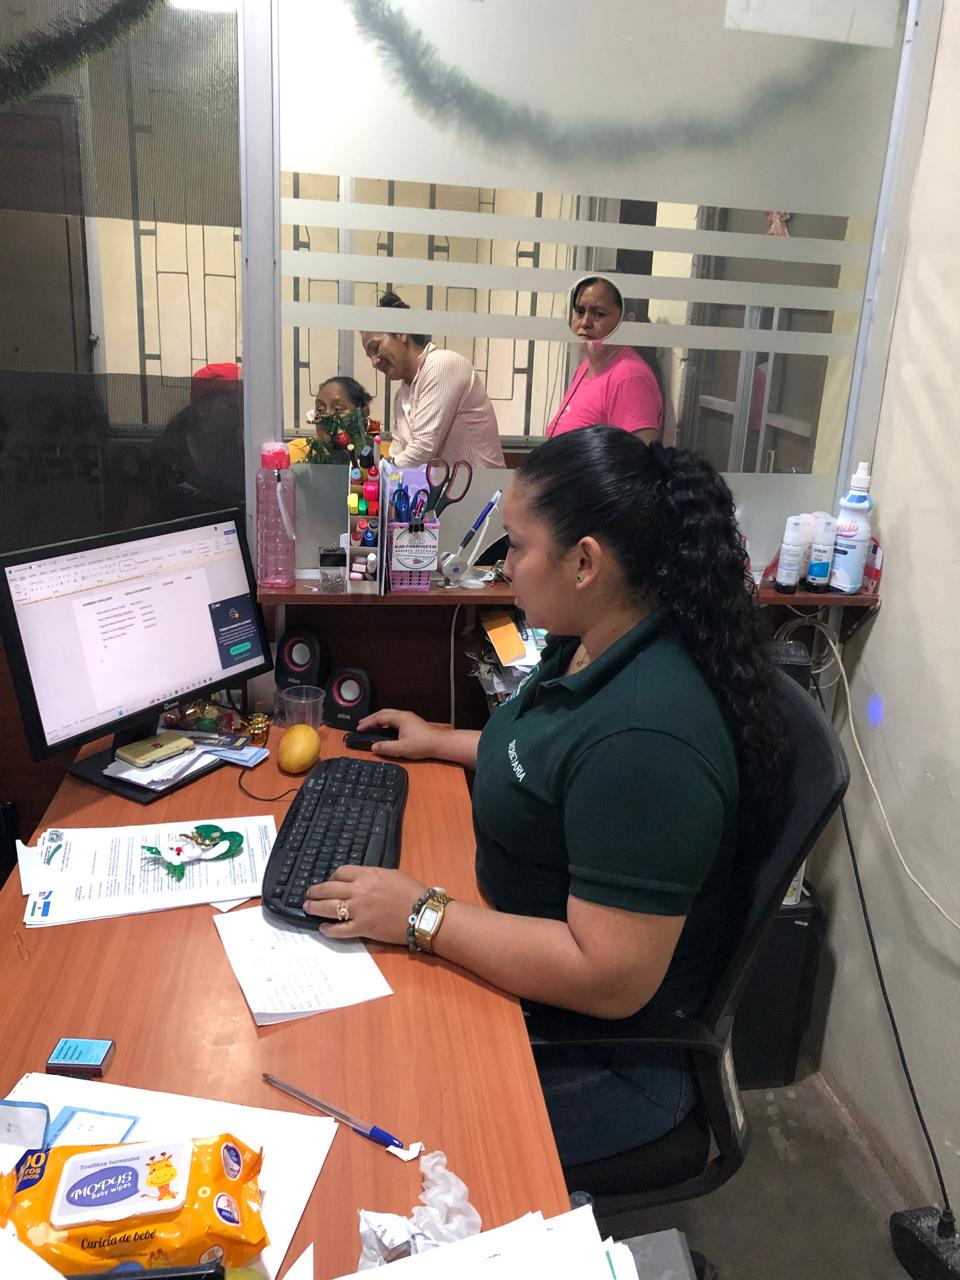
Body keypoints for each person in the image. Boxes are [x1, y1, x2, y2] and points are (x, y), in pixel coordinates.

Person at [302, 426, 790, 1167]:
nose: (504, 566)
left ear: (585, 562)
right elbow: (545, 759)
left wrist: (422, 913)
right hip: (527, 982)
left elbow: (608, 978)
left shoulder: (647, 738)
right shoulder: (590, 640)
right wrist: (440, 741)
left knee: (360, 1124)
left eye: (518, 547)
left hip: (607, 1058)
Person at [360, 292, 505, 469]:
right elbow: (398, 452)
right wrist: (382, 472)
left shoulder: (442, 364)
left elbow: (423, 448)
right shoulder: (401, 396)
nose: (374, 362)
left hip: (482, 485)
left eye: (375, 348)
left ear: (401, 333)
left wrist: (382, 472)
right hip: (446, 486)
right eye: (369, 356)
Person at [546, 276, 662, 443]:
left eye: (598, 314)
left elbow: (640, 455)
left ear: (627, 323)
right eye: (580, 311)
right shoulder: (586, 367)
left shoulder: (629, 378)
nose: (585, 323)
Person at [288, 375, 376, 463]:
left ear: (363, 413)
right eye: (320, 409)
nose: (327, 415)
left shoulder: (378, 451)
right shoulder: (300, 451)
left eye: (337, 409)